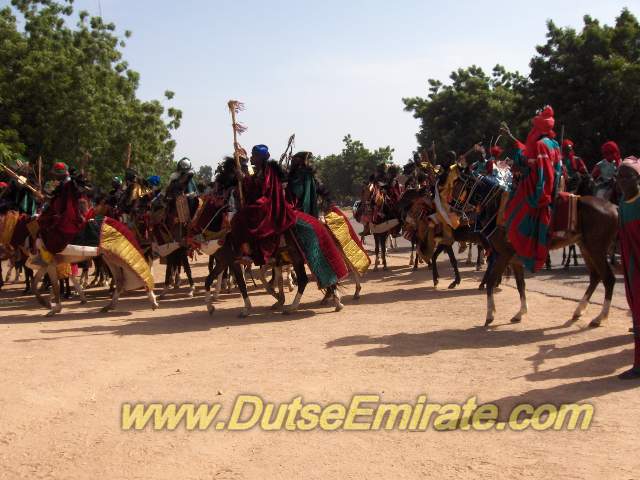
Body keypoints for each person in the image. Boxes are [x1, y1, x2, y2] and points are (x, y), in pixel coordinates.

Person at [502, 106, 562, 272]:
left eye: (534, 126)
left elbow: (543, 171)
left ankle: (524, 252)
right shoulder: (554, 143)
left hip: (537, 188)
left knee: (512, 212)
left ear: (539, 128)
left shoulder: (541, 145)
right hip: (549, 184)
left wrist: (538, 192)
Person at [232, 144, 296, 265]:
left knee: (241, 217)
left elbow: (263, 188)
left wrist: (244, 179)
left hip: (270, 203)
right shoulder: (258, 170)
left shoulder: (269, 170)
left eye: (254, 155)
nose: (251, 158)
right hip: (262, 200)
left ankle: (250, 253)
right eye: (252, 155)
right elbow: (253, 187)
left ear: (262, 158)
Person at [616, 156, 640, 380]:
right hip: (632, 264)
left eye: (627, 176)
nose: (622, 181)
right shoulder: (623, 202)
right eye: (620, 176)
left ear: (637, 178)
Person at [286, 151, 327, 218]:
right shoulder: (308, 174)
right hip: (308, 213)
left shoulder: (303, 175)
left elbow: (298, 191)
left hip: (301, 212)